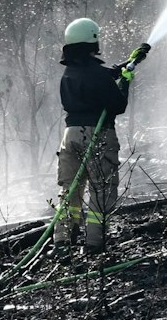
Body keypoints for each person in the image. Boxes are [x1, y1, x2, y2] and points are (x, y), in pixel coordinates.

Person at [54, 17, 139, 253]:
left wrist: (125, 66)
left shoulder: (69, 74)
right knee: (102, 189)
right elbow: (117, 105)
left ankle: (62, 241)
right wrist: (125, 82)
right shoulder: (97, 74)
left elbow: (96, 77)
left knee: (70, 190)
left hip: (70, 136)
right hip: (97, 135)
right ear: (93, 41)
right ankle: (94, 245)